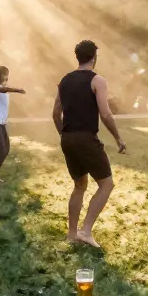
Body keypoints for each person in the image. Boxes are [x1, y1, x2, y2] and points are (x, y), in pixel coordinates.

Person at [53, 40, 126, 248]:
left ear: (77, 57)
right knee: (106, 184)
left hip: (67, 138)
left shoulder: (64, 80)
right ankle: (85, 231)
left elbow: (55, 114)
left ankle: (71, 234)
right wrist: (118, 138)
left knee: (79, 186)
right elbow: (105, 113)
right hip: (86, 138)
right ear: (94, 57)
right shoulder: (97, 80)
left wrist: (65, 136)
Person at [0, 65, 25, 184]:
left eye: (7, 74)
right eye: (3, 74)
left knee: (6, 149)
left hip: (0, 123)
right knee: (2, 150)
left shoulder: (3, 88)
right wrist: (17, 90)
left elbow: (4, 91)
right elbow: (2, 90)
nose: (6, 76)